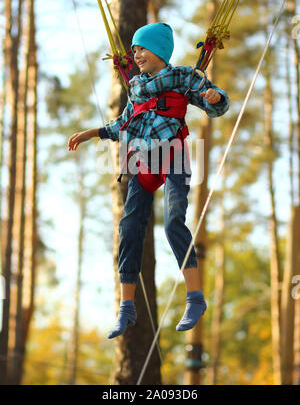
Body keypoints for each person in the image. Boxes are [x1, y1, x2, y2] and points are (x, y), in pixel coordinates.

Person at [68, 23, 229, 339]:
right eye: (134, 50)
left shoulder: (183, 77)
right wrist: (93, 133)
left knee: (173, 222)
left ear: (158, 50)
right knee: (129, 227)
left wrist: (214, 96)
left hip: (173, 155)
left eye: (141, 48)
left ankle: (195, 298)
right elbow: (122, 123)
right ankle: (126, 307)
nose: (136, 54)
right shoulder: (137, 88)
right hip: (142, 160)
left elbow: (215, 103)